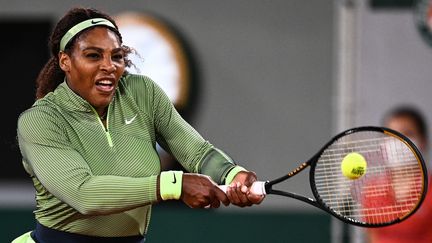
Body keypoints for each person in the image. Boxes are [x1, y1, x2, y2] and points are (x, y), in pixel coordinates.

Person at [12, 7, 263, 243]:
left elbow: (197, 151)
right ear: (65, 61)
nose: (109, 66)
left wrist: (234, 175)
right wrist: (173, 185)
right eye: (93, 55)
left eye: (117, 56)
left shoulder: (142, 92)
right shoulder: (40, 121)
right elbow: (84, 194)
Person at [366, 105, 432, 243]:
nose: (398, 141)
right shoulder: (372, 189)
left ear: (423, 142)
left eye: (406, 133)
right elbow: (373, 237)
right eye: (391, 135)